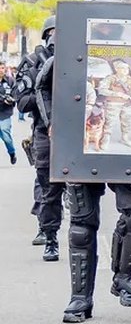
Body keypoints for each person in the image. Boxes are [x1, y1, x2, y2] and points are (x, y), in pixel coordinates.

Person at [36, 0, 131, 323]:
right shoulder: (73, 43)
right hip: (82, 139)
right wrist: (52, 123)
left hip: (125, 139)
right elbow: (43, 85)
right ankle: (79, 298)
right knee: (81, 224)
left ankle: (123, 276)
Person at [15, 16, 63, 262]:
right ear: (46, 35)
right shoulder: (33, 63)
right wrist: (44, 93)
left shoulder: (77, 58)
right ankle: (50, 236)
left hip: (81, 132)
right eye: (53, 32)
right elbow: (21, 102)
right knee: (48, 188)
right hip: (45, 130)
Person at [0, 60, 17, 164]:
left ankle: (12, 153)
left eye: (2, 68)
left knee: (6, 136)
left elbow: (15, 93)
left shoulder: (10, 80)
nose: (1, 70)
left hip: (5, 114)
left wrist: (12, 100)